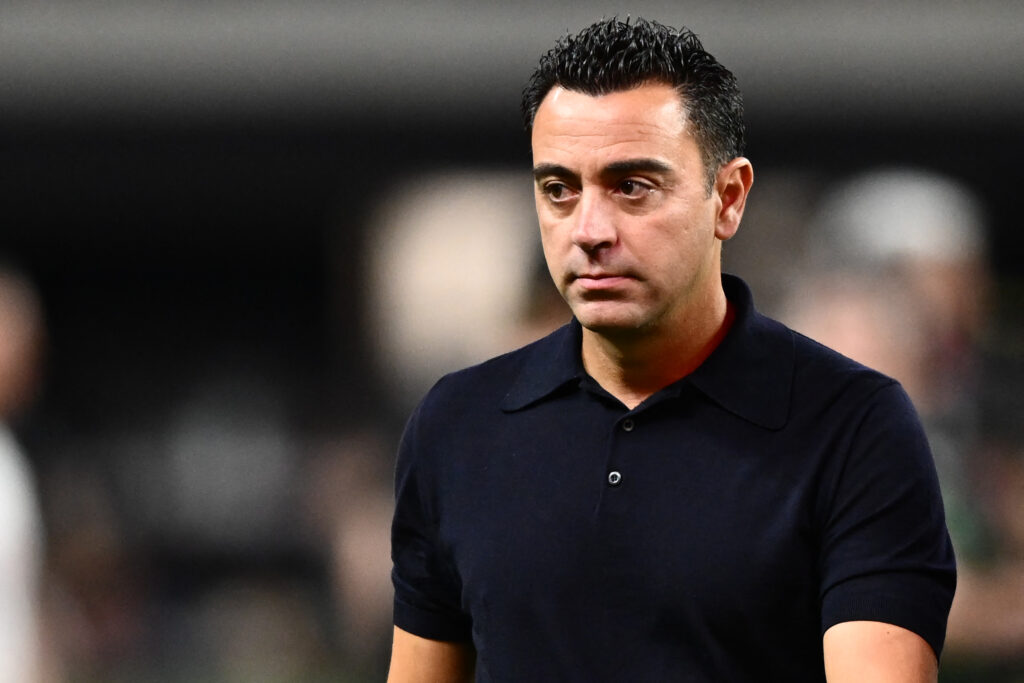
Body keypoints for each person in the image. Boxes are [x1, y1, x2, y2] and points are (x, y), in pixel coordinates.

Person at [388, 17, 956, 682]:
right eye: (559, 189)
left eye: (633, 186)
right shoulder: (459, 421)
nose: (590, 230)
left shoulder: (852, 425)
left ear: (729, 197)